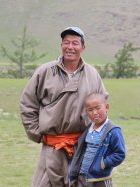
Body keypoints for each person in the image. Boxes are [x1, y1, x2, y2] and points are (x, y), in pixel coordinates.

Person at [19, 27, 108, 187]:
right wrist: (36, 133)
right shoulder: (44, 72)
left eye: (75, 43)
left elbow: (102, 105)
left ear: (83, 48)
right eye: (66, 43)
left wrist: (97, 133)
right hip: (53, 145)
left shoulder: (92, 74)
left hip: (84, 146)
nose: (70, 47)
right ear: (61, 46)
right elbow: (28, 103)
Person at [69, 92, 126, 187]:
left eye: (98, 108)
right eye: (90, 110)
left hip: (100, 178)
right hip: (82, 177)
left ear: (106, 107)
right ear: (86, 112)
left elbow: (120, 154)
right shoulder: (87, 130)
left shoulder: (113, 131)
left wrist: (103, 164)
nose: (94, 112)